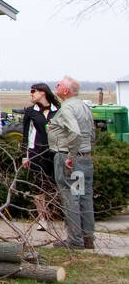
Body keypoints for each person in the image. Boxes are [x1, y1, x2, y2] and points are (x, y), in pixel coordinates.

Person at [47, 75, 96, 249]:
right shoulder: (84, 106)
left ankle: (75, 241)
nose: (56, 85)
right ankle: (87, 238)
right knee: (84, 196)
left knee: (71, 197)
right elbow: (92, 133)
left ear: (66, 90)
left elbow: (74, 133)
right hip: (85, 157)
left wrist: (71, 156)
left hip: (68, 158)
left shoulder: (67, 108)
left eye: (59, 84)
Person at [20, 83, 59, 231]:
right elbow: (26, 135)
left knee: (56, 183)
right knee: (38, 185)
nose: (31, 95)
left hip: (55, 152)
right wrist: (25, 155)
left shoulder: (58, 110)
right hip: (37, 152)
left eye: (33, 92)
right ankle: (43, 218)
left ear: (42, 92)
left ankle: (59, 213)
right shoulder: (30, 112)